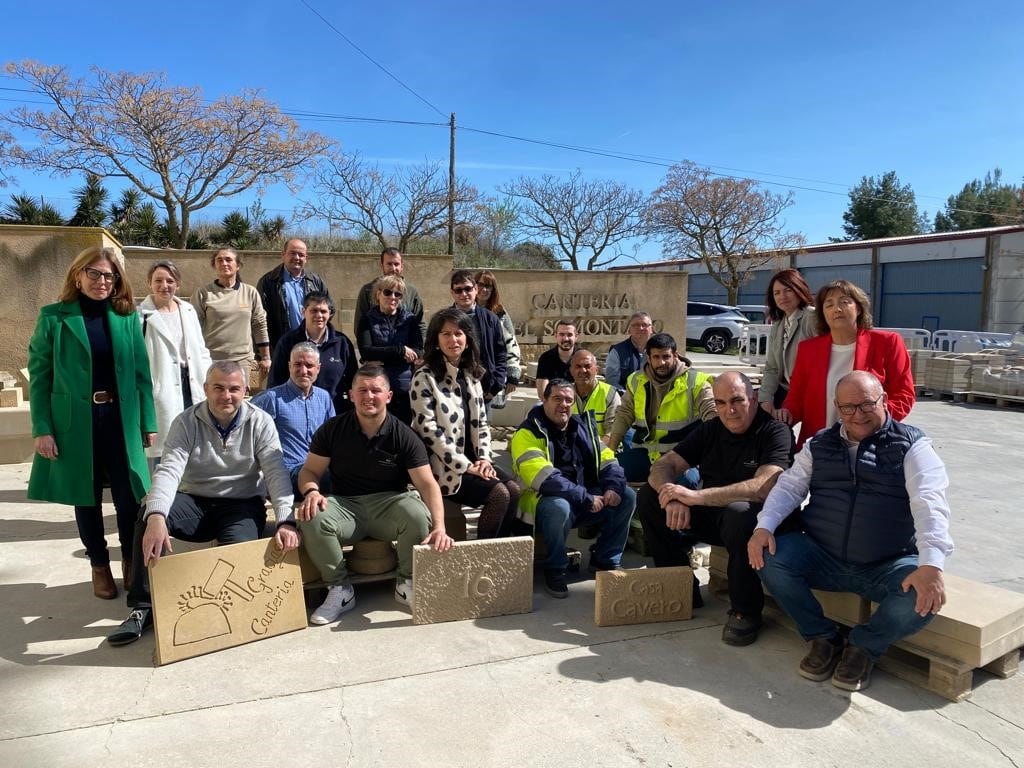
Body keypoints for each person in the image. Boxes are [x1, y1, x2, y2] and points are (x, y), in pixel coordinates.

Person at [749, 371, 953, 691]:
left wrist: (931, 563)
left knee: (921, 599)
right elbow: (789, 488)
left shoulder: (913, 446)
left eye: (866, 404)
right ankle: (823, 637)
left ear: (884, 400)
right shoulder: (819, 444)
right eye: (847, 408)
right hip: (823, 554)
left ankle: (863, 647)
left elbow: (930, 503)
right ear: (836, 407)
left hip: (887, 562)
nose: (857, 415)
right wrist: (764, 526)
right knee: (768, 557)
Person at [106, 361, 298, 646]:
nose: (226, 396)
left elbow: (276, 473)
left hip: (241, 505)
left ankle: (222, 614)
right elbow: (169, 469)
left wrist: (285, 520)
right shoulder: (186, 422)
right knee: (146, 514)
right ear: (206, 389)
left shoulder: (260, 422)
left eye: (234, 389)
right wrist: (157, 514)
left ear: (245, 390)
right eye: (218, 388)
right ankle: (143, 607)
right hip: (195, 502)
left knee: (238, 561)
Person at [27, 246, 157, 600]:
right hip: (75, 422)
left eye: (109, 276)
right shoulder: (54, 317)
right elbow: (40, 377)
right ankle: (99, 565)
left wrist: (147, 420)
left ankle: (131, 562)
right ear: (78, 275)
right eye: (95, 274)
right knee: (84, 497)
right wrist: (42, 428)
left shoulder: (127, 317)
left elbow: (142, 374)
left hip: (120, 418)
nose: (102, 281)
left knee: (129, 497)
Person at [637, 372, 794, 646]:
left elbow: (762, 487)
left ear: (754, 399)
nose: (729, 411)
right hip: (713, 515)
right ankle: (679, 589)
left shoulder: (775, 432)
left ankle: (745, 611)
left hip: (756, 523)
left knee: (740, 512)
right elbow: (663, 466)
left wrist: (694, 498)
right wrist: (673, 497)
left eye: (737, 401)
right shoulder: (711, 429)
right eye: (721, 403)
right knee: (650, 496)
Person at [295, 365, 454, 625]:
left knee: (416, 513)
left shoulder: (404, 435)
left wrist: (440, 527)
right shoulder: (332, 430)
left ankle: (406, 582)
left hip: (389, 504)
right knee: (311, 515)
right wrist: (311, 491)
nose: (369, 396)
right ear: (351, 395)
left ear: (389, 396)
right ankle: (340, 589)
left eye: (376, 390)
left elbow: (427, 485)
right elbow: (310, 471)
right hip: (346, 505)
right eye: (363, 390)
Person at [510, 379, 635, 599]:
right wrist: (586, 497)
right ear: (544, 400)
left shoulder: (582, 427)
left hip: (582, 500)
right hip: (542, 502)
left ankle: (605, 560)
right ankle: (556, 568)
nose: (564, 405)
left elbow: (607, 459)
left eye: (569, 400)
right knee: (559, 506)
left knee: (626, 496)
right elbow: (546, 479)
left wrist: (612, 487)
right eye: (557, 399)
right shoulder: (527, 433)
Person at [410, 308, 521, 539]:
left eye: (458, 333)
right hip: (444, 468)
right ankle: (481, 556)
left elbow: (482, 423)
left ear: (468, 339)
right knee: (499, 494)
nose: (453, 340)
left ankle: (498, 552)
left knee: (514, 489)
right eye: (446, 334)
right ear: (436, 340)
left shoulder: (472, 375)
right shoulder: (424, 377)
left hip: (474, 462)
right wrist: (466, 465)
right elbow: (429, 432)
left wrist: (484, 459)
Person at [782, 279, 915, 449]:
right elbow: (796, 398)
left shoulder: (887, 343)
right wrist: (785, 414)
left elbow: (904, 395)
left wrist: (872, 422)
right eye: (828, 305)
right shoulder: (808, 349)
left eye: (844, 302)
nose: (836, 309)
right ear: (822, 313)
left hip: (872, 444)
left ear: (858, 308)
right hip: (820, 446)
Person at [605, 333, 716, 482]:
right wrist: (611, 451)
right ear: (648, 358)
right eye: (656, 357)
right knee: (607, 471)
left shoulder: (697, 382)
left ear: (675, 356)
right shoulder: (635, 380)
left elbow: (712, 417)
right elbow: (624, 415)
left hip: (683, 457)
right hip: (646, 454)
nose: (661, 362)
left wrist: (706, 456)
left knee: (687, 482)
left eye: (666, 357)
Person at [138, 259, 212, 465]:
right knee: (164, 446)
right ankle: (161, 494)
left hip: (193, 383)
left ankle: (188, 493)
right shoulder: (141, 316)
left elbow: (200, 348)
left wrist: (207, 376)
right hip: (163, 386)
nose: (164, 286)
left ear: (177, 284)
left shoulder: (188, 310)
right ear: (149, 283)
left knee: (194, 442)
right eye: (158, 280)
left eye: (170, 281)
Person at [252, 342, 335, 495]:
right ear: (289, 366)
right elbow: (243, 424)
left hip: (318, 469)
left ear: (318, 368)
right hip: (287, 475)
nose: (303, 371)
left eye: (309, 365)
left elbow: (334, 440)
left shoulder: (324, 398)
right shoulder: (271, 399)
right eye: (298, 364)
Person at [192, 247, 271, 386]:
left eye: (228, 259)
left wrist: (265, 357)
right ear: (214, 265)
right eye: (219, 260)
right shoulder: (203, 293)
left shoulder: (250, 292)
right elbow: (192, 327)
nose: (224, 263)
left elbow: (259, 324)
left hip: (244, 361)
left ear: (238, 265)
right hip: (211, 360)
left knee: (243, 401)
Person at [268, 292, 357, 414]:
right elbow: (275, 381)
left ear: (330, 313)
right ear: (303, 312)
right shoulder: (288, 342)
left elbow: (353, 381)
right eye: (314, 311)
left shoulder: (342, 343)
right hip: (296, 410)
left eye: (323, 311)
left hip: (334, 412)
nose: (319, 315)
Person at [357, 275, 423, 424]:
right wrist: (401, 351)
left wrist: (381, 356)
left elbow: (418, 351)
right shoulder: (367, 320)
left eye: (397, 294)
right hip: (376, 388)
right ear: (378, 294)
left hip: (403, 388)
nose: (392, 297)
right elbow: (367, 352)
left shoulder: (410, 320)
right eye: (388, 292)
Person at [256, 238, 334, 354]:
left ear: (306, 258)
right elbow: (260, 319)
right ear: (283, 255)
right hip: (282, 347)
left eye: (301, 255)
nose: (297, 258)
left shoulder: (315, 281)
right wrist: (265, 354)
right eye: (292, 253)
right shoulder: (268, 281)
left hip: (312, 346)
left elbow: (330, 309)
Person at [758, 268, 819, 413]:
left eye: (788, 290)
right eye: (777, 293)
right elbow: (772, 367)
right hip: (785, 390)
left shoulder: (812, 317)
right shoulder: (778, 324)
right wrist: (765, 399)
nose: (782, 296)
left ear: (799, 289)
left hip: (810, 393)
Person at [449, 270, 507, 405]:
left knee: (481, 426)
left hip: (483, 388)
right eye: (458, 290)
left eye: (468, 289)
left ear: (475, 289)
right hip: (452, 388)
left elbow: (501, 353)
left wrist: (496, 384)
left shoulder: (491, 319)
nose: (464, 294)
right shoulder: (444, 319)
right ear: (452, 293)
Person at [353, 247, 425, 339]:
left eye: (396, 264)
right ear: (381, 265)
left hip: (407, 350)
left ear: (402, 266)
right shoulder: (368, 290)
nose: (393, 268)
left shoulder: (411, 291)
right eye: (389, 264)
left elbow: (421, 324)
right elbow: (359, 326)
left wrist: (419, 349)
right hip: (377, 350)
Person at [474, 270, 521, 404]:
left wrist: (512, 374)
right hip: (468, 373)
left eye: (488, 286)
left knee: (485, 419)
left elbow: (511, 343)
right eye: (481, 284)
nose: (484, 289)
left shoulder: (499, 313)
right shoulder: (465, 310)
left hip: (492, 374)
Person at [569, 349, 620, 438]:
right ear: (571, 371)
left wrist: (595, 450)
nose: (583, 370)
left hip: (603, 448)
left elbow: (612, 433)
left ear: (596, 370)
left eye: (587, 366)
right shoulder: (564, 394)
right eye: (578, 366)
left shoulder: (610, 394)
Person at [604, 311, 654, 392]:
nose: (640, 328)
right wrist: (629, 398)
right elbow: (612, 383)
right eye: (636, 325)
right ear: (629, 329)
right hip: (626, 401)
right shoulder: (617, 351)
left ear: (651, 329)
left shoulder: (658, 351)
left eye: (644, 325)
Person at [534, 319, 579, 400]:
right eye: (561, 334)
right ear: (556, 336)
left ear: (576, 336)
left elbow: (588, 387)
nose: (566, 338)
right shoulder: (546, 358)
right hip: (553, 404)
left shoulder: (582, 358)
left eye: (569, 335)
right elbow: (542, 394)